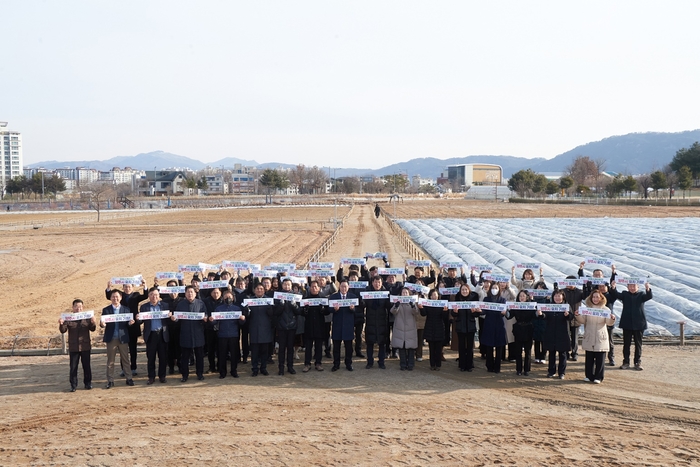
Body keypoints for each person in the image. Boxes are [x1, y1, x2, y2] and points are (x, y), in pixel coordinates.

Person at [105, 279, 148, 377]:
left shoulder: (136, 295)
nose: (127, 288)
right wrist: (108, 288)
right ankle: (123, 369)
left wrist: (145, 286)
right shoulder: (120, 296)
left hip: (133, 325)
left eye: (129, 287)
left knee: (133, 349)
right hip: (122, 326)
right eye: (125, 287)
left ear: (132, 287)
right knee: (122, 349)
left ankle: (133, 368)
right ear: (123, 288)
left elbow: (145, 296)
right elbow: (109, 296)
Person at [609, 280, 653, 371]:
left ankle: (637, 362)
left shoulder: (641, 295)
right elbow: (616, 294)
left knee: (638, 344)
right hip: (627, 323)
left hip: (639, 323)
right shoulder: (625, 294)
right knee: (626, 344)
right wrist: (613, 287)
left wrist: (648, 288)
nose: (632, 288)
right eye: (630, 286)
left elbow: (649, 296)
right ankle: (626, 362)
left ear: (638, 287)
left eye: (634, 286)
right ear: (627, 287)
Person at [575, 290, 616, 383]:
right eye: (593, 297)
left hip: (600, 336)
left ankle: (598, 377)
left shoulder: (605, 310)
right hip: (589, 335)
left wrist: (612, 318)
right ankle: (589, 376)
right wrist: (577, 315)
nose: (595, 299)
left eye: (597, 297)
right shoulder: (587, 309)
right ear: (590, 298)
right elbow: (583, 320)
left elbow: (609, 323)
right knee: (589, 358)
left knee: (600, 359)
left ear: (601, 298)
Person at [58, 299, 96, 391]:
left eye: (80, 307)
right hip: (74, 347)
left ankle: (88, 383)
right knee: (73, 367)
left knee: (86, 366)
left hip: (85, 346)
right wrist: (61, 324)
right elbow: (63, 330)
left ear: (83, 308)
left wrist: (93, 322)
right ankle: (73, 385)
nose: (78, 308)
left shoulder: (87, 317)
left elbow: (92, 329)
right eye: (76, 306)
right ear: (73, 307)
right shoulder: (68, 317)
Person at [172, 285, 208, 382]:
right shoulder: (180, 304)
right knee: (185, 357)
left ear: (195, 293)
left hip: (198, 334)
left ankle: (199, 374)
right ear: (185, 294)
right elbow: (177, 319)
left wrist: (205, 319)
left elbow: (205, 315)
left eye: (192, 292)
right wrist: (174, 319)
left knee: (199, 356)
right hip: (185, 334)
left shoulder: (200, 304)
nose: (190, 294)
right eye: (188, 292)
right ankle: (185, 375)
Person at [100, 289, 135, 388]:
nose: (115, 298)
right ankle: (110, 380)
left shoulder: (126, 310)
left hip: (123, 338)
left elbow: (127, 324)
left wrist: (130, 323)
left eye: (117, 296)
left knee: (125, 360)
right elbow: (102, 323)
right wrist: (102, 324)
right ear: (110, 298)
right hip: (111, 338)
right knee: (110, 361)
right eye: (113, 297)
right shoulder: (106, 310)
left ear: (120, 297)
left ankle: (129, 378)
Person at [137, 287, 172, 385]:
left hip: (162, 334)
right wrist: (138, 318)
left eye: (156, 294)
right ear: (148, 296)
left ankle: (162, 376)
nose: (154, 297)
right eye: (152, 294)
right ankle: (151, 377)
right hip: (151, 335)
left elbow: (169, 321)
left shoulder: (165, 305)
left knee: (163, 357)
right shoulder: (144, 307)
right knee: (151, 357)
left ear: (159, 295)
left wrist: (170, 316)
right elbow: (141, 321)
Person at [211, 289, 246, 378]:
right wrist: (212, 320)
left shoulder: (237, 309)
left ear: (233, 298)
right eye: (226, 297)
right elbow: (214, 322)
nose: (228, 299)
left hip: (234, 335)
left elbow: (241, 323)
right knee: (222, 355)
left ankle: (234, 371)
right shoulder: (219, 309)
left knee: (234, 355)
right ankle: (222, 372)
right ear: (223, 298)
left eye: (229, 297)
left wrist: (243, 319)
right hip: (222, 335)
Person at [540, 290, 573, 379]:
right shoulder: (549, 306)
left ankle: (561, 372)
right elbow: (544, 316)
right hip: (551, 332)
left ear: (563, 297)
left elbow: (571, 317)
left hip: (562, 333)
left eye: (559, 296)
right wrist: (540, 314)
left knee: (562, 353)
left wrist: (567, 315)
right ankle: (551, 371)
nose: (557, 298)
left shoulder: (566, 306)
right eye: (555, 296)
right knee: (551, 353)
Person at [475, 283, 508, 374]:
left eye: (496, 288)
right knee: (489, 346)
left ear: (499, 289)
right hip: (489, 324)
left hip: (499, 325)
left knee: (499, 347)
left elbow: (505, 313)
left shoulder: (502, 300)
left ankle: (497, 367)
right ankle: (489, 366)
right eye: (493, 288)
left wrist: (503, 313)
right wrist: (480, 311)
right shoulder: (486, 299)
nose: (494, 289)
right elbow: (484, 311)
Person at [244, 283, 275, 376]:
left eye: (261, 289)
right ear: (254, 290)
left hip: (265, 329)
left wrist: (270, 308)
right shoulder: (250, 301)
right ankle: (254, 369)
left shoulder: (268, 301)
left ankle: (263, 368)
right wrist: (246, 310)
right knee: (254, 351)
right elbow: (247, 316)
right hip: (254, 329)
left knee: (264, 351)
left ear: (264, 290)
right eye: (258, 289)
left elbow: (272, 315)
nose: (259, 290)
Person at [362, 276, 391, 369]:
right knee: (369, 343)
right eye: (375, 282)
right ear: (372, 283)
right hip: (370, 321)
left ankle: (381, 362)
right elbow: (362, 305)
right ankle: (369, 362)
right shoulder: (367, 292)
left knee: (382, 343)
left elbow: (389, 307)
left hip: (382, 322)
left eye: (379, 282)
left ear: (381, 283)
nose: (377, 284)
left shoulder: (386, 294)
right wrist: (362, 300)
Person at [274, 279, 302, 376]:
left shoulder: (295, 296)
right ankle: (281, 368)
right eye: (285, 284)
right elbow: (275, 312)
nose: (287, 286)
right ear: (282, 285)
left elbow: (299, 311)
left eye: (289, 285)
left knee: (290, 348)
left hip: (292, 326)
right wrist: (281, 305)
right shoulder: (277, 296)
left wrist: (294, 305)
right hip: (281, 326)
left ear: (291, 286)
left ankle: (290, 367)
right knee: (282, 349)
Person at [449, 284, 480, 372]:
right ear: (460, 291)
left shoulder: (473, 298)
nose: (464, 291)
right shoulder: (457, 298)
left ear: (469, 290)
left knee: (470, 347)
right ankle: (462, 365)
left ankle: (469, 365)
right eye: (462, 290)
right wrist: (455, 312)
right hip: (460, 325)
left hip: (470, 326)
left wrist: (474, 312)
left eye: (466, 290)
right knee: (461, 346)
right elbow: (453, 313)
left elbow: (477, 315)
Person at [301, 280, 329, 372]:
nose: (314, 288)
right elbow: (301, 312)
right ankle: (307, 364)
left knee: (319, 346)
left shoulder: (323, 298)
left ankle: (318, 363)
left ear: (319, 288)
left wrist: (323, 310)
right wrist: (305, 310)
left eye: (316, 287)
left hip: (319, 326)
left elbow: (328, 311)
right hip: (308, 325)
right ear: (309, 288)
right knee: (308, 346)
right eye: (312, 287)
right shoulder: (306, 299)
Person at [329, 281, 357, 371]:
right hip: (337, 325)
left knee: (349, 347)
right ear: (339, 287)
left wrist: (353, 309)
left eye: (345, 286)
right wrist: (334, 309)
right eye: (342, 286)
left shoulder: (352, 297)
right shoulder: (334, 297)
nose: (343, 288)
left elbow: (358, 309)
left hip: (348, 325)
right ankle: (336, 364)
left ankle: (348, 364)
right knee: (336, 347)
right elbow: (329, 309)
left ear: (348, 287)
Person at [509, 290, 537, 376]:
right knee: (518, 351)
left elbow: (536, 315)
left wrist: (538, 312)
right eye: (520, 296)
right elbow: (509, 315)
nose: (522, 297)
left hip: (528, 329)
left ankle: (527, 370)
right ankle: (518, 369)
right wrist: (505, 312)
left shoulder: (531, 306)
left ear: (527, 297)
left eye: (523, 296)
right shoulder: (515, 306)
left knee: (528, 351)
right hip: (518, 329)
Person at [391, 288, 420, 371]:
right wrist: (396, 306)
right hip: (399, 328)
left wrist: (413, 305)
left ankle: (411, 364)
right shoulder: (398, 303)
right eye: (403, 292)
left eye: (406, 292)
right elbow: (393, 311)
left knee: (411, 348)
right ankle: (403, 365)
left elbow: (416, 312)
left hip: (410, 329)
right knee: (401, 348)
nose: (404, 294)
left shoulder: (412, 303)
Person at [420, 289, 450, 371]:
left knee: (438, 348)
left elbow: (444, 317)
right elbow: (424, 314)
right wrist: (421, 308)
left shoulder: (441, 304)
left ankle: (438, 365)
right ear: (430, 296)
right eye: (433, 295)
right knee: (431, 349)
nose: (434, 296)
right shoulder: (428, 304)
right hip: (430, 328)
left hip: (439, 328)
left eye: (436, 295)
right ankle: (432, 364)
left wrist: (445, 311)